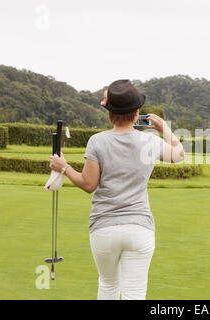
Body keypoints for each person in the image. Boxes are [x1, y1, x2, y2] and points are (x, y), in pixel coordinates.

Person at [49, 79, 185, 299]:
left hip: (104, 227)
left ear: (109, 112)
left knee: (108, 286)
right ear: (136, 113)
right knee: (135, 293)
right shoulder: (149, 141)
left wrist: (64, 167)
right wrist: (164, 128)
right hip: (140, 228)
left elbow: (88, 184)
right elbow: (180, 154)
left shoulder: (97, 141)